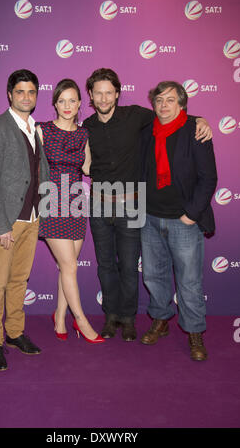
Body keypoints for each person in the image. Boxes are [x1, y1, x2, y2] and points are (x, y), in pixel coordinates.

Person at [83, 68, 213, 341]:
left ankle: (149, 324)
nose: (104, 98)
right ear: (91, 97)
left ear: (117, 94)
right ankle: (121, 318)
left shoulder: (138, 117)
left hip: (146, 210)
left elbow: (174, 120)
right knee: (123, 270)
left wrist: (200, 119)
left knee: (143, 270)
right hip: (116, 209)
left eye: (109, 92)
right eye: (99, 93)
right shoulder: (91, 127)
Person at [0, 69, 50, 370]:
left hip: (31, 218)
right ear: (10, 94)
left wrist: (41, 211)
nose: (26, 97)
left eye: (31, 92)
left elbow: (38, 172)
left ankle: (15, 333)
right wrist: (1, 225)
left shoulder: (34, 128)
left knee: (19, 281)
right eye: (20, 91)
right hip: (6, 222)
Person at [139, 81, 217, 361]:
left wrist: (191, 215)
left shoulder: (195, 130)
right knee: (153, 275)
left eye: (170, 100)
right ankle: (161, 320)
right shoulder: (148, 131)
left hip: (183, 221)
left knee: (190, 282)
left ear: (182, 104)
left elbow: (209, 178)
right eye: (159, 100)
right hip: (149, 218)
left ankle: (195, 332)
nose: (163, 105)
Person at [36, 79, 104, 343]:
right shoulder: (42, 130)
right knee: (70, 266)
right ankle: (82, 321)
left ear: (79, 104)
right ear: (54, 103)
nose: (67, 105)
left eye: (72, 100)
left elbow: (87, 168)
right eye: (61, 100)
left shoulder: (83, 134)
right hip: (52, 202)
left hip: (76, 204)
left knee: (68, 268)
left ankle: (60, 317)